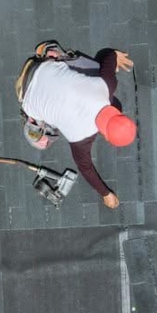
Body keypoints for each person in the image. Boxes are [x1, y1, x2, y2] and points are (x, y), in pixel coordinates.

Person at [16, 43, 136, 209]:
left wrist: (116, 55)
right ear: (106, 137)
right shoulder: (80, 138)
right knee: (41, 142)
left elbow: (110, 57)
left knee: (96, 71)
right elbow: (85, 168)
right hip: (25, 95)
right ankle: (32, 121)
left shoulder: (106, 85)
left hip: (42, 67)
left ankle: (55, 55)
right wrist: (105, 194)